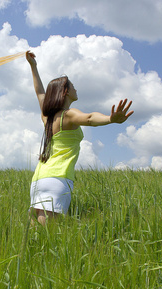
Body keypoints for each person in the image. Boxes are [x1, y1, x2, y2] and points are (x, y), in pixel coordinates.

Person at [26, 51, 134, 226]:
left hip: (39, 179)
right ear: (66, 92)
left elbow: (39, 93)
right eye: (73, 86)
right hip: (58, 178)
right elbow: (90, 118)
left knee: (39, 236)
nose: (76, 89)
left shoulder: (47, 117)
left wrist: (33, 67)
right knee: (52, 237)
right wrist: (110, 119)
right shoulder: (68, 115)